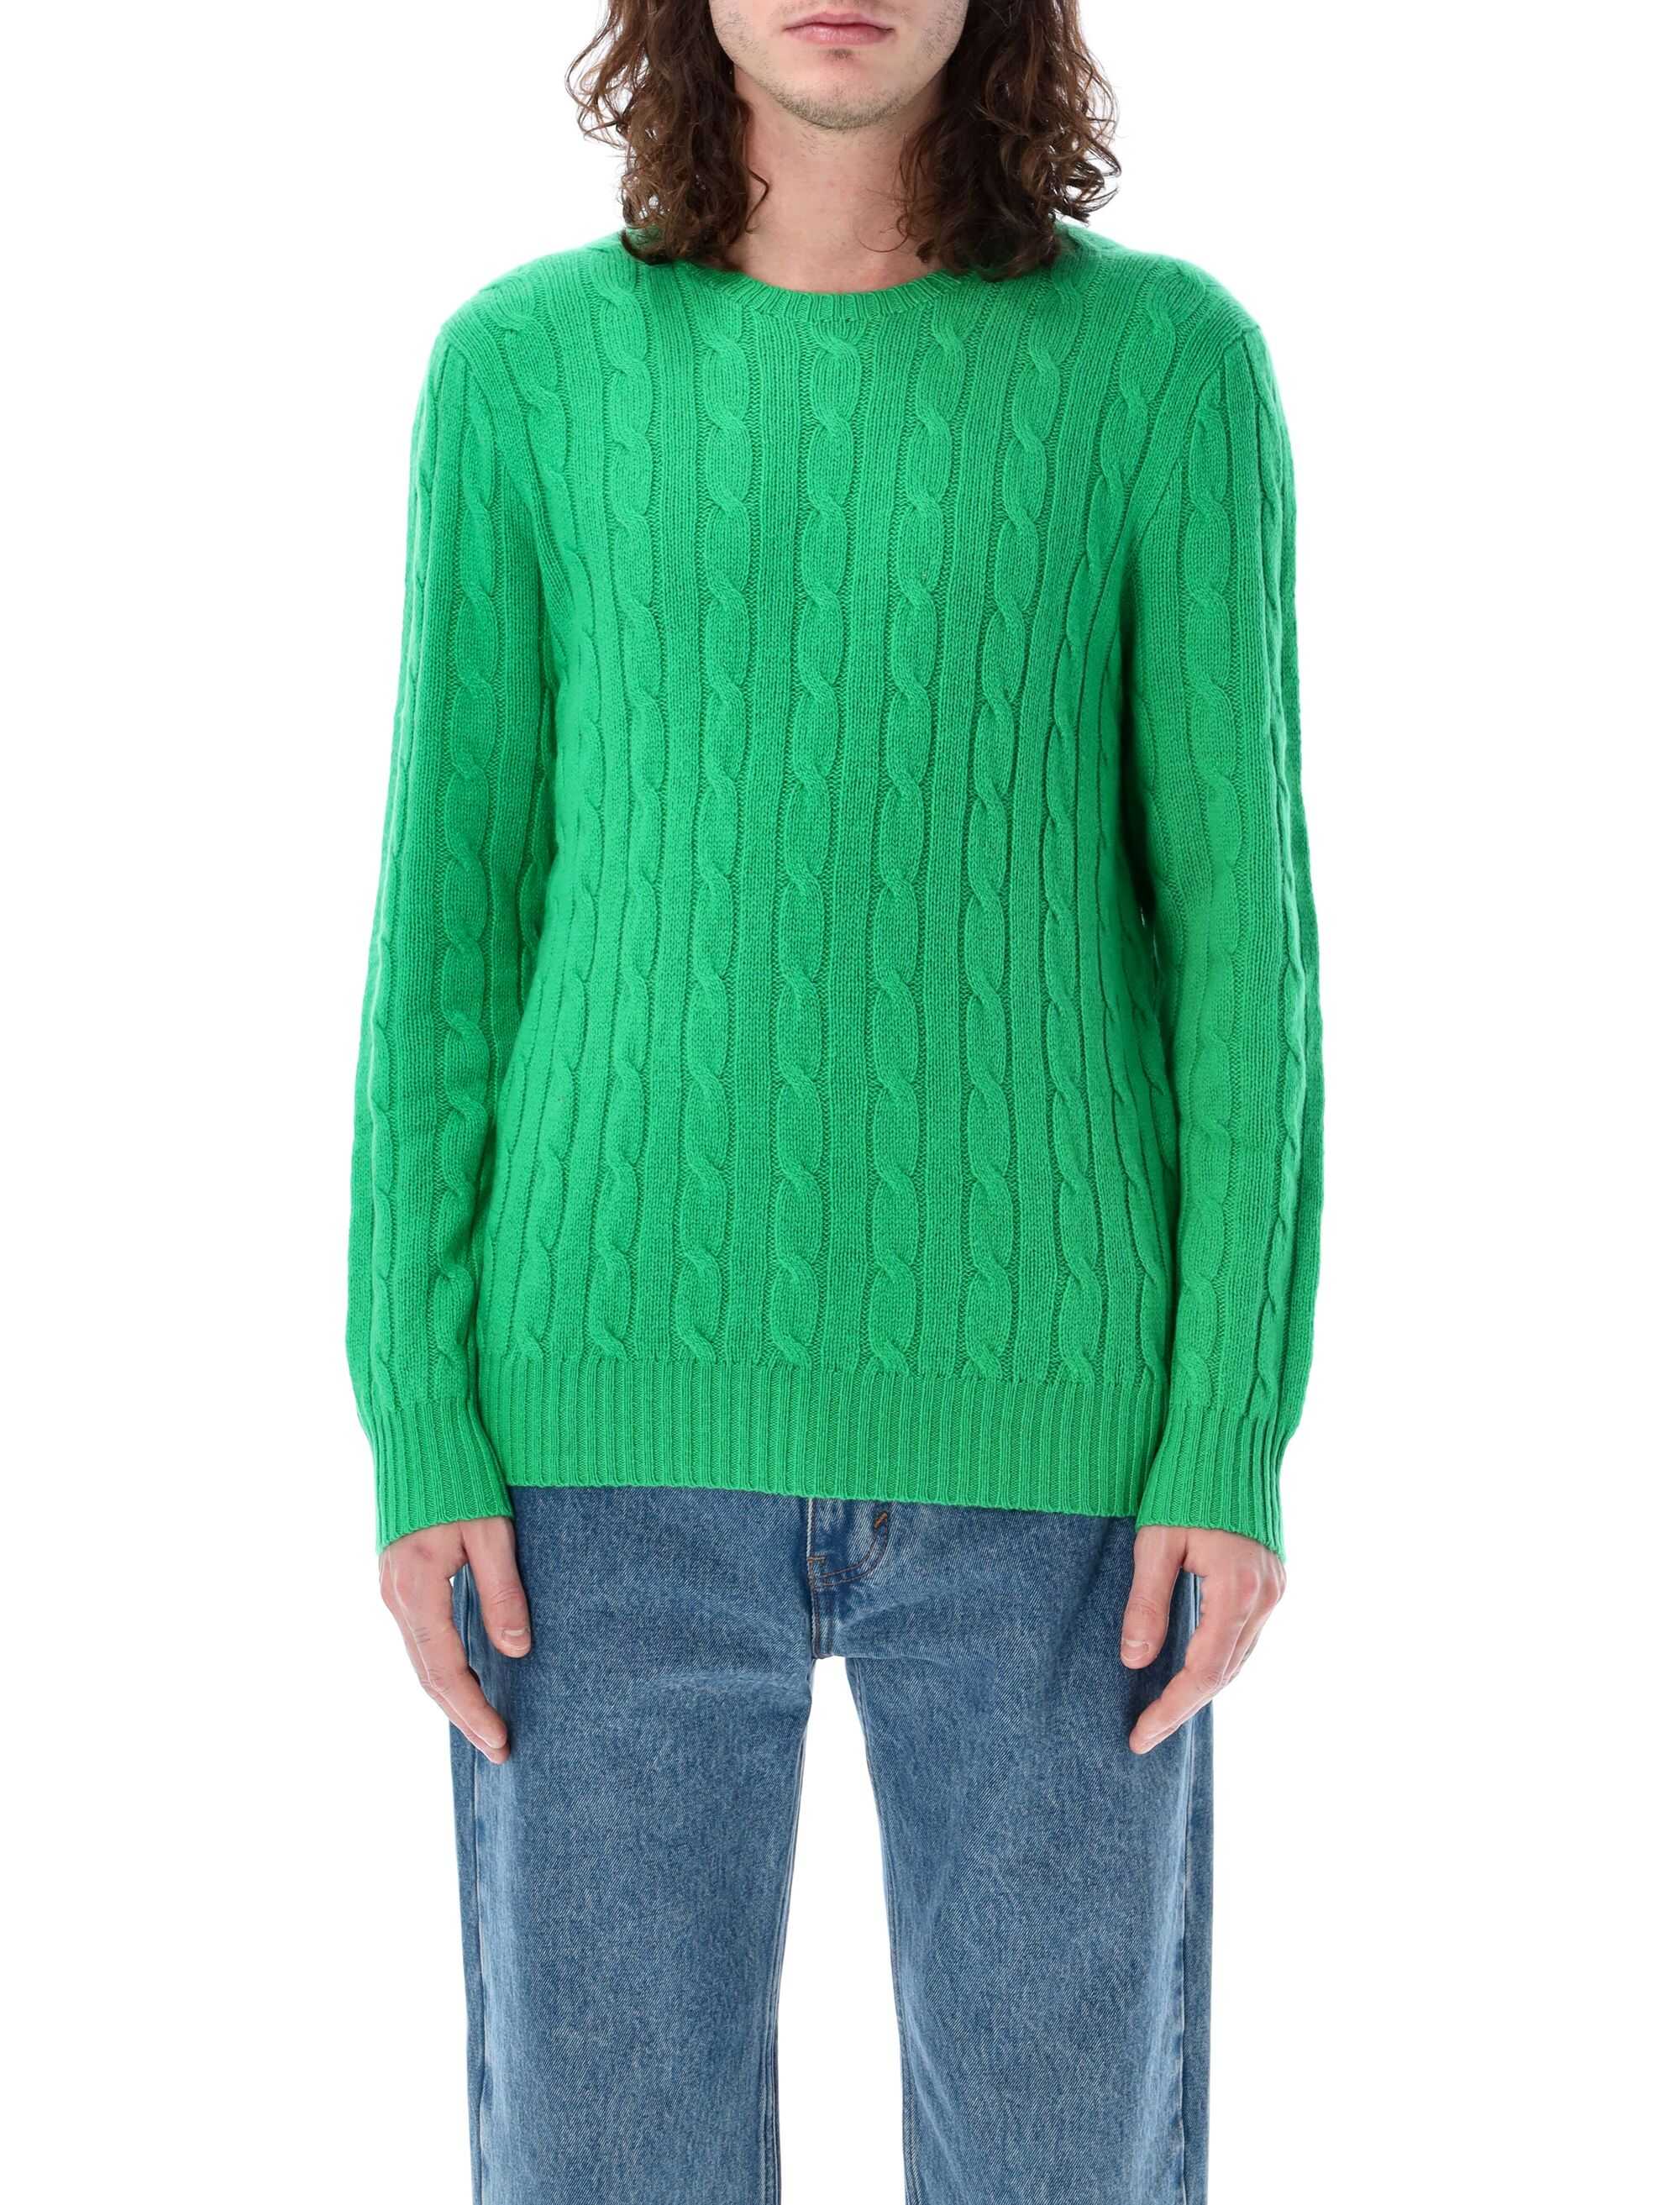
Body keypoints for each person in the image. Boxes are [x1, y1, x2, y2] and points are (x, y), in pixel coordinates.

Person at [344, 3, 1324, 2197]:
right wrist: (416, 1410)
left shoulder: (1163, 374)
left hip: (1064, 1465)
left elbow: (1243, 947)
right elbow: (447, 928)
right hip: (588, 1463)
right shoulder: (521, 378)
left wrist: (1227, 1429)